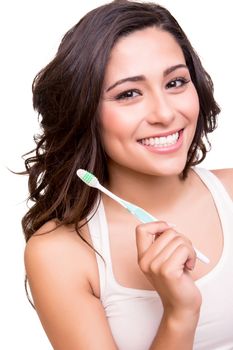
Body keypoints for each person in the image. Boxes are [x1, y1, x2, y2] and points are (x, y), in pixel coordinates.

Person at [22, 1, 233, 349]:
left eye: (176, 82)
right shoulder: (60, 253)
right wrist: (180, 313)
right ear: (84, 110)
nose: (165, 113)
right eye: (129, 93)